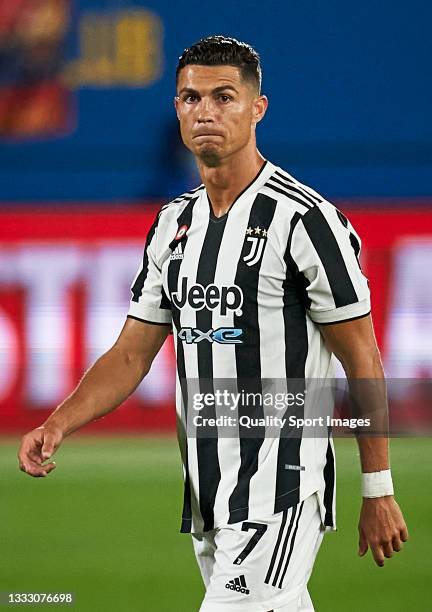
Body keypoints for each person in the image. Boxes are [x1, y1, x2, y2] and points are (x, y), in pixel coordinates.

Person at [18, 36, 408, 612]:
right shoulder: (173, 225)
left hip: (281, 490)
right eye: (190, 97)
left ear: (258, 108)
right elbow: (131, 353)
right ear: (176, 109)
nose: (205, 111)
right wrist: (59, 422)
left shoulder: (306, 221)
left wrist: (378, 488)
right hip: (207, 494)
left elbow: (361, 356)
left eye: (224, 96)